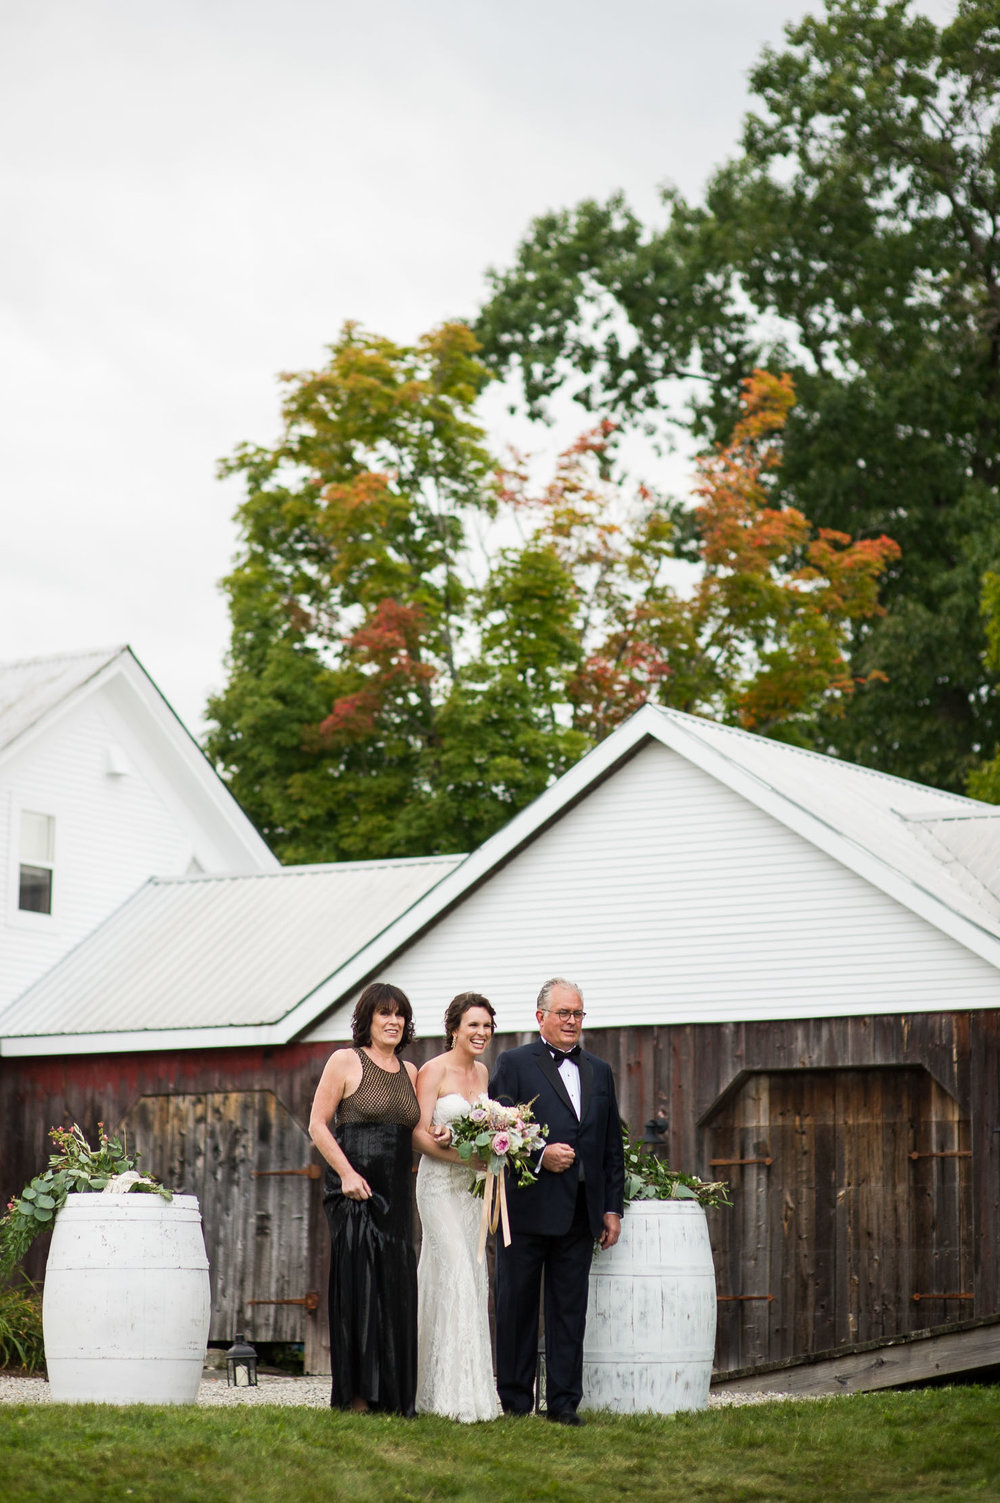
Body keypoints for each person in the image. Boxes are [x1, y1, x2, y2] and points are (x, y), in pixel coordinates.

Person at [489, 977, 625, 1425]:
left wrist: (610, 1208)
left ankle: (564, 1405)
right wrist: (540, 1154)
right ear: (540, 1016)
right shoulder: (512, 1063)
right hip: (526, 1210)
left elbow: (609, 1146)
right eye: (564, 1013)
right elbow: (497, 1131)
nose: (572, 1021)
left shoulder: (600, 1071)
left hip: (579, 1212)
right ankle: (515, 1402)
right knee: (517, 1309)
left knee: (570, 1313)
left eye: (578, 1013)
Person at [308, 980, 420, 1414]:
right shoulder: (345, 1060)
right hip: (354, 1191)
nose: (393, 1022)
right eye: (384, 1014)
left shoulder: (411, 1073)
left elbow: (418, 1134)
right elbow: (318, 1125)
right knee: (361, 1290)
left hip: (396, 1195)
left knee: (395, 1288)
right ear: (367, 1020)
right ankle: (357, 1399)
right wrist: (347, 1174)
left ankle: (391, 1397)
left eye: (400, 1015)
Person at [412, 992, 501, 1422]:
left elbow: (484, 1127)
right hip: (438, 1186)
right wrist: (464, 1156)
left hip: (471, 1191)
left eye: (487, 1025)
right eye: (474, 1025)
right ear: (454, 1029)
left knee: (472, 1274)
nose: (481, 1033)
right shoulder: (433, 1070)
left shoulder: (483, 1072)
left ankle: (471, 1390)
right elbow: (418, 1134)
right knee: (456, 1274)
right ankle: (445, 1395)